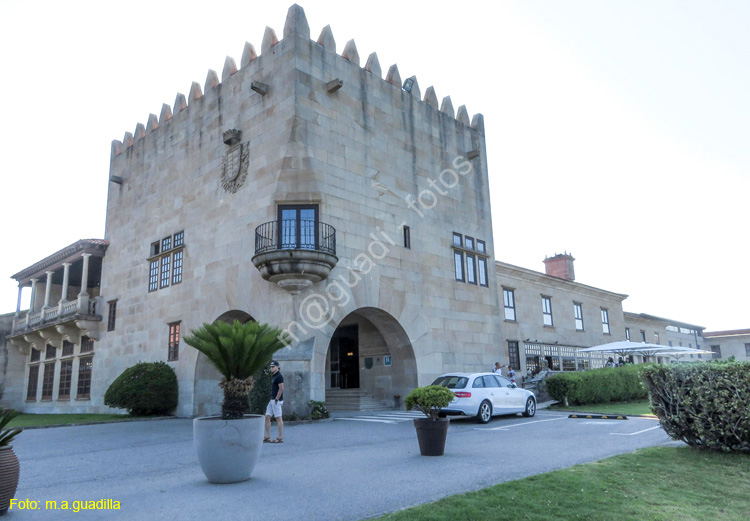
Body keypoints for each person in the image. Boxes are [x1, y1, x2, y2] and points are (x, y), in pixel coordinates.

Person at [264, 360, 284, 443]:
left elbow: (281, 388)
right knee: (267, 417)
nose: (271, 368)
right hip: (272, 400)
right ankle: (267, 436)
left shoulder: (279, 376)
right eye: (270, 367)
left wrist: (277, 399)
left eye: (273, 367)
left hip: (276, 400)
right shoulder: (274, 375)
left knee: (278, 418)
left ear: (277, 367)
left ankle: (280, 437)